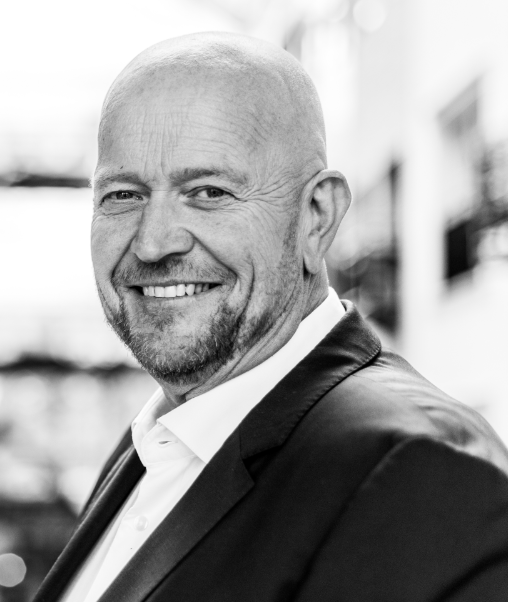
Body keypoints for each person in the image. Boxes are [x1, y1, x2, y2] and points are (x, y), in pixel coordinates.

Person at [35, 32, 508, 602]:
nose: (154, 242)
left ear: (317, 217)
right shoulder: (157, 441)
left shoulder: (420, 476)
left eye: (208, 192)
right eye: (123, 195)